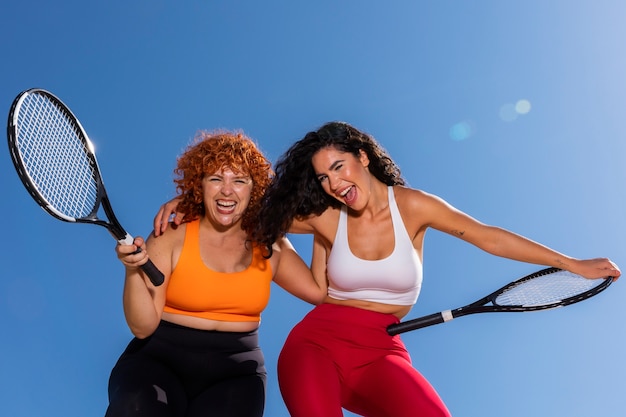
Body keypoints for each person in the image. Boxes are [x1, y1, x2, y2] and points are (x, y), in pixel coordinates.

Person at [154, 122, 620, 417]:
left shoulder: (414, 207)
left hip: (381, 351)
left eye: (340, 167)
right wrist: (191, 200)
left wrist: (569, 262)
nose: (335, 183)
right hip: (315, 345)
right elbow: (244, 208)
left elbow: (487, 236)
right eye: (323, 177)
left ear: (363, 157)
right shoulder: (325, 218)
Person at [105, 130, 326, 417]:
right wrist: (133, 271)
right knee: (135, 406)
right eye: (215, 179)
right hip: (157, 360)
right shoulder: (171, 234)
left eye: (239, 180)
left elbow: (319, 291)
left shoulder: (270, 244)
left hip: (236, 373)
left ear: (254, 188)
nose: (226, 190)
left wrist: (324, 228)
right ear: (200, 185)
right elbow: (142, 327)